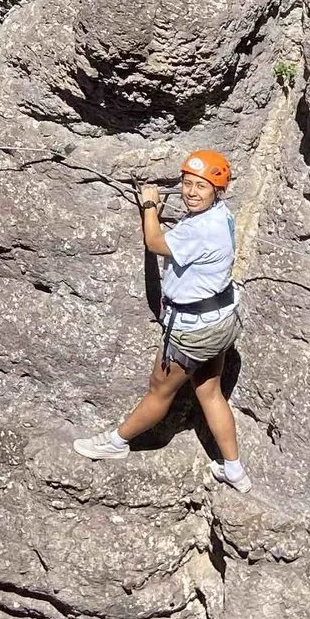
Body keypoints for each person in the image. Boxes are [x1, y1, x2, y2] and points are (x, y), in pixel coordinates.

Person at [74, 149, 248, 489]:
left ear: (217, 190)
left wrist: (150, 207)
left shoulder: (197, 231)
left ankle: (116, 442)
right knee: (210, 392)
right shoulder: (223, 216)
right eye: (187, 183)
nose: (191, 192)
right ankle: (234, 469)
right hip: (222, 321)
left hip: (192, 331)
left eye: (202, 186)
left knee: (159, 392)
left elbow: (155, 243)